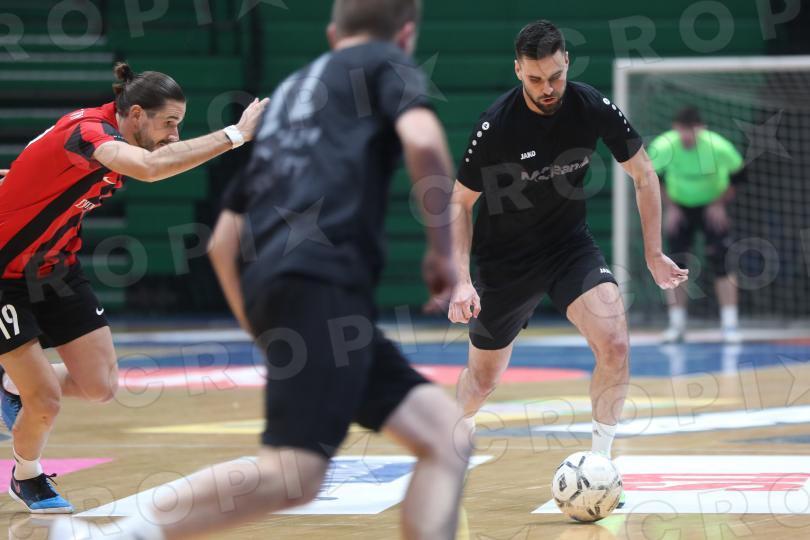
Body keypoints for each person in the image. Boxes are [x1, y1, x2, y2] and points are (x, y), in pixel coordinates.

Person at [51, 0, 470, 538]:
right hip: (324, 285)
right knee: (293, 473)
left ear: (332, 33)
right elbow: (424, 140)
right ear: (406, 33)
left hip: (295, 294)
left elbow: (224, 240)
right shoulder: (384, 63)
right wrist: (442, 252)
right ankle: (112, 535)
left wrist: (264, 327)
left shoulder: (292, 93)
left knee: (445, 435)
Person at [0, 63, 267, 513]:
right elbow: (149, 168)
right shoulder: (89, 132)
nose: (174, 135)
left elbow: (150, 161)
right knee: (44, 399)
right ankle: (27, 475)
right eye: (170, 123)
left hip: (55, 267)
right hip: (4, 275)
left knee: (100, 386)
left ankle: (10, 384)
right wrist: (236, 135)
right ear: (137, 114)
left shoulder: (122, 137)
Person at [447, 20, 687, 470]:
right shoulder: (496, 126)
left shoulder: (590, 106)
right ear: (518, 70)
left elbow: (644, 174)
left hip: (568, 247)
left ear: (567, 63)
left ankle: (600, 464)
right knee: (481, 383)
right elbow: (459, 202)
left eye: (555, 76)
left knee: (615, 345)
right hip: (506, 262)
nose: (547, 88)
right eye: (535, 79)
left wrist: (653, 254)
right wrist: (461, 280)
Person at [650, 106, 745, 343]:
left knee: (722, 260)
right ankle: (677, 325)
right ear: (675, 128)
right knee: (675, 264)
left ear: (701, 129)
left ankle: (730, 325)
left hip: (712, 207)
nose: (687, 135)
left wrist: (719, 204)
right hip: (679, 208)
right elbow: (653, 179)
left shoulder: (718, 147)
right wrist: (671, 207)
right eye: (682, 130)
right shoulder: (663, 147)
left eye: (691, 130)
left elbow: (739, 176)